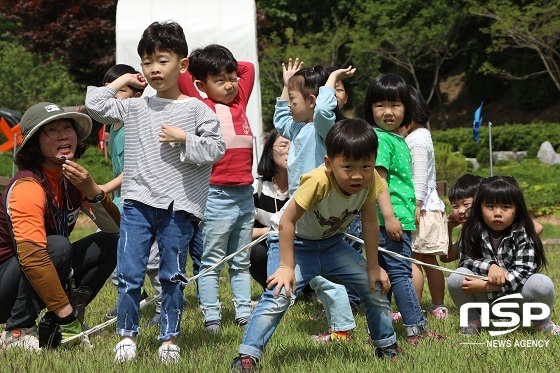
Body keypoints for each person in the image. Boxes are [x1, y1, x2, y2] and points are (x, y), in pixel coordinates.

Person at [85, 21, 225, 364]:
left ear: (183, 63)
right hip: (136, 203)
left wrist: (184, 139)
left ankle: (169, 339)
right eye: (147, 62)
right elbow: (93, 103)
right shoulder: (135, 107)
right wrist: (124, 80)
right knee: (130, 273)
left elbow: (217, 148)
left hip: (179, 207)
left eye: (162, 60)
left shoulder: (196, 109)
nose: (154, 68)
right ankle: (127, 336)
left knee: (172, 276)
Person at [231, 119, 402, 371]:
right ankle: (248, 355)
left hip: (332, 245)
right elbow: (287, 221)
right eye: (348, 167)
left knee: (373, 285)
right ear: (328, 163)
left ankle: (386, 345)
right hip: (293, 243)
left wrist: (373, 267)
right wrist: (287, 267)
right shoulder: (317, 181)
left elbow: (369, 221)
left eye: (366, 165)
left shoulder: (371, 180)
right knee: (279, 294)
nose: (357, 175)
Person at [0, 102, 120, 352]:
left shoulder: (71, 177)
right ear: (34, 143)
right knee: (57, 245)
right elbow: (33, 257)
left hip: (37, 270)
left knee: (112, 242)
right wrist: (68, 316)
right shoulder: (27, 187)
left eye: (68, 127)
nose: (64, 134)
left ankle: (52, 328)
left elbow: (113, 227)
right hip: (6, 284)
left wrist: (93, 191)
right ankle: (17, 331)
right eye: (51, 130)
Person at [273, 58, 358, 343]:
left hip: (317, 207)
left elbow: (323, 109)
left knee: (320, 273)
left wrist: (332, 77)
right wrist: (287, 87)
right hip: (299, 208)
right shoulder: (298, 127)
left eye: (294, 99)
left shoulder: (325, 130)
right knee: (310, 270)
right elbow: (280, 119)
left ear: (310, 100)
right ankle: (341, 324)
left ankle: (343, 326)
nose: (289, 105)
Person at [178, 44, 255, 332]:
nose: (229, 85)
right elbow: (185, 76)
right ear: (202, 85)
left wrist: (226, 65)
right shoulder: (202, 105)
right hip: (217, 194)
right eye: (219, 80)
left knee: (241, 259)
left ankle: (244, 312)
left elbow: (248, 68)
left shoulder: (240, 101)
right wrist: (194, 66)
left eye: (232, 78)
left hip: (245, 193)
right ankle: (212, 316)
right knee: (212, 260)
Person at [364, 74, 434, 343]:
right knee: (401, 274)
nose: (388, 111)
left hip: (396, 220)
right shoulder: (381, 139)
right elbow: (378, 180)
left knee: (384, 278)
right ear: (370, 108)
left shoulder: (396, 139)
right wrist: (391, 217)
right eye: (380, 105)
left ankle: (377, 332)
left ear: (407, 108)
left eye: (395, 105)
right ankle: (416, 329)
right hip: (388, 222)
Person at [447, 176, 559, 335]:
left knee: (541, 283)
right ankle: (472, 322)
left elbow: (524, 272)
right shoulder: (472, 231)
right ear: (480, 208)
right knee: (457, 277)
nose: (497, 213)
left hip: (518, 303)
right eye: (490, 206)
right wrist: (491, 266)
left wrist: (489, 285)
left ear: (517, 210)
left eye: (506, 207)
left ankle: (543, 323)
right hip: (485, 303)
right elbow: (466, 261)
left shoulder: (524, 234)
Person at [404, 86, 449, 319]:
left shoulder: (416, 139)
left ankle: (414, 306)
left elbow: (419, 176)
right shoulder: (421, 135)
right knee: (428, 258)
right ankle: (438, 305)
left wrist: (417, 204)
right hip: (429, 207)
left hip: (421, 207)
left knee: (415, 258)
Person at [250, 129, 290, 289]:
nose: (290, 149)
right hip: (269, 248)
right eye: (283, 145)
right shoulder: (257, 188)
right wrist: (271, 231)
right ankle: (271, 288)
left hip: (300, 249)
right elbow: (242, 232)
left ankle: (309, 289)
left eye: (295, 145)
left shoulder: (305, 186)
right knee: (256, 252)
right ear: (269, 151)